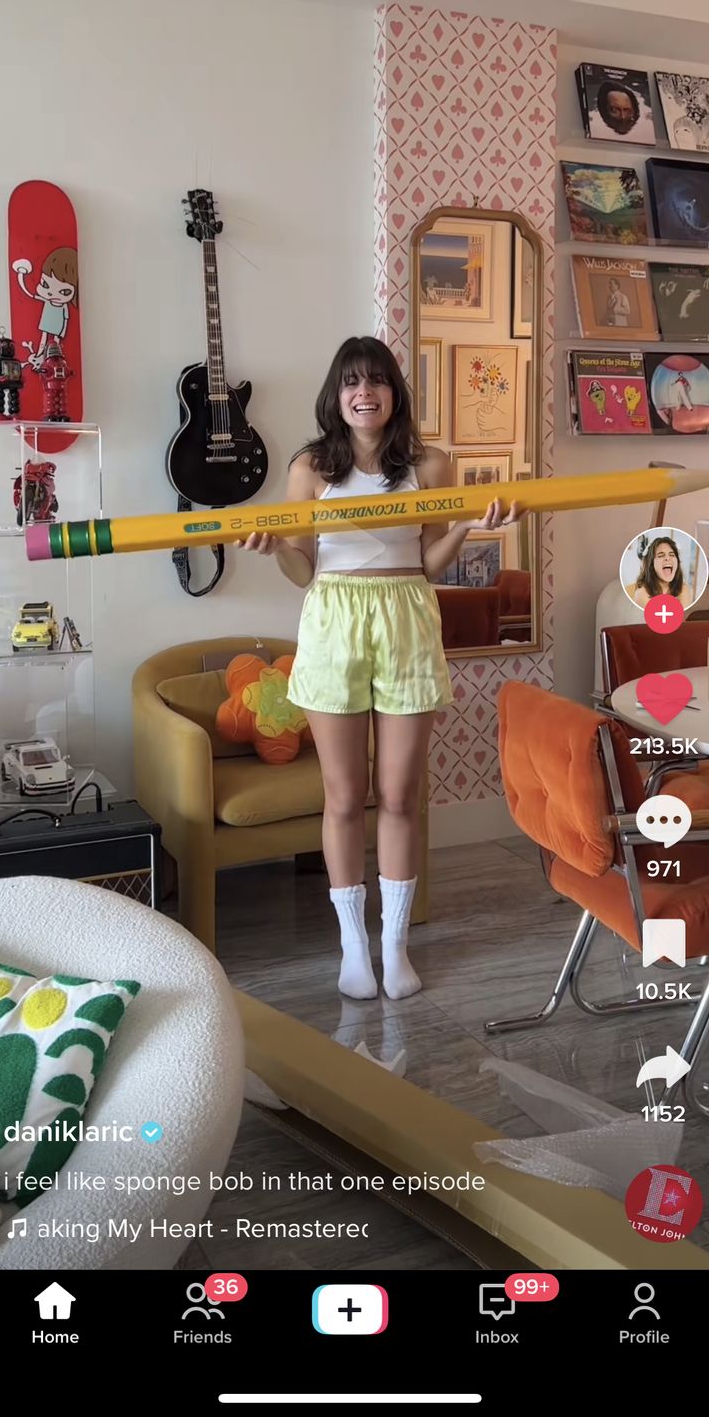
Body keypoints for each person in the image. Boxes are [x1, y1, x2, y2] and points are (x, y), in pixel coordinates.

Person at [238, 335, 521, 1001]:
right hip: (335, 615)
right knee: (343, 796)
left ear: (395, 391)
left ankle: (394, 947)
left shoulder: (431, 462)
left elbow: (428, 563)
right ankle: (352, 948)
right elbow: (304, 569)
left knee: (398, 795)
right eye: (351, 383)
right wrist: (275, 542)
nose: (364, 393)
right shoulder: (310, 467)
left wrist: (476, 525)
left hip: (406, 614)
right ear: (336, 397)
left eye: (376, 381)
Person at [626, 535, 692, 609]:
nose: (667, 558)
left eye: (672, 555)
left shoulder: (683, 589)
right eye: (661, 556)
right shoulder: (642, 594)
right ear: (651, 564)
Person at [591, 82, 655, 143]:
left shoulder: (648, 129)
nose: (623, 116)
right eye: (614, 110)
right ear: (604, 111)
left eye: (627, 110)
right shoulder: (595, 127)